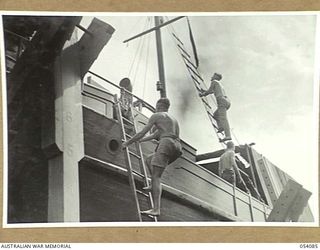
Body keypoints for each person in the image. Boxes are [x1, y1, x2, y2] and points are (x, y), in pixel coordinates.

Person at [122, 98, 182, 217]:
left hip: (166, 143)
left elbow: (142, 133)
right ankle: (153, 186)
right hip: (177, 147)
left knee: (156, 176)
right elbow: (155, 135)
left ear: (158, 106)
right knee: (149, 159)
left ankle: (156, 209)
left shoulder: (156, 115)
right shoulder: (173, 120)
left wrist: (127, 143)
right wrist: (139, 142)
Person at [199, 73, 231, 142]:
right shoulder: (219, 84)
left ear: (216, 77)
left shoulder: (214, 82)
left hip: (221, 101)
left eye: (213, 75)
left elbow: (210, 91)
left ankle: (228, 135)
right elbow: (212, 91)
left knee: (223, 118)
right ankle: (221, 127)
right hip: (226, 101)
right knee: (216, 115)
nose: (211, 77)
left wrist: (202, 94)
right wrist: (204, 91)